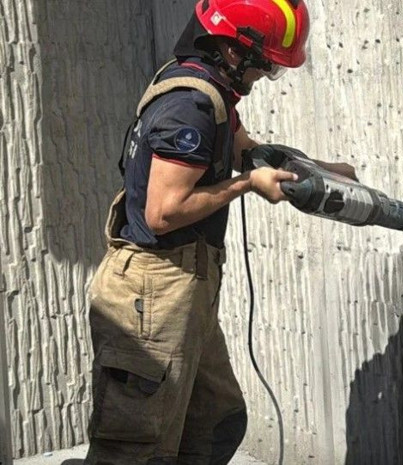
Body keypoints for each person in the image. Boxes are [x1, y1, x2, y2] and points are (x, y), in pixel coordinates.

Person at [85, 1, 353, 463]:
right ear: (234, 49)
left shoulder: (210, 90)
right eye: (265, 63)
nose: (266, 73)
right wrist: (248, 185)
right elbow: (163, 213)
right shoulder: (188, 106)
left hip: (187, 285)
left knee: (215, 421)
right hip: (153, 291)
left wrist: (317, 171)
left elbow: (244, 148)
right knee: (137, 447)